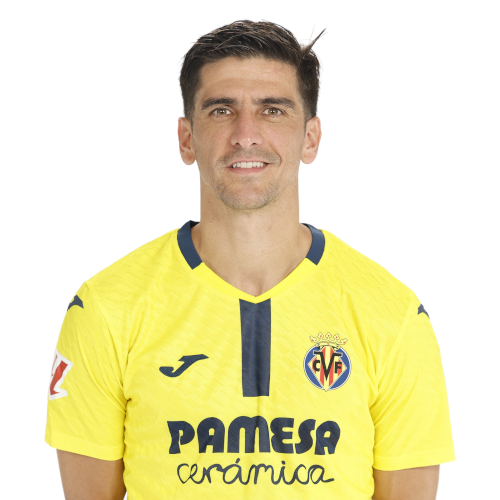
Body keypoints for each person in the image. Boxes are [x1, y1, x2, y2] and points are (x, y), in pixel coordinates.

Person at [45, 18, 455, 499]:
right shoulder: (104, 308)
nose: (245, 135)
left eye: (272, 110)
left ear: (311, 138)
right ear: (186, 138)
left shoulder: (394, 313)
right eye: (221, 110)